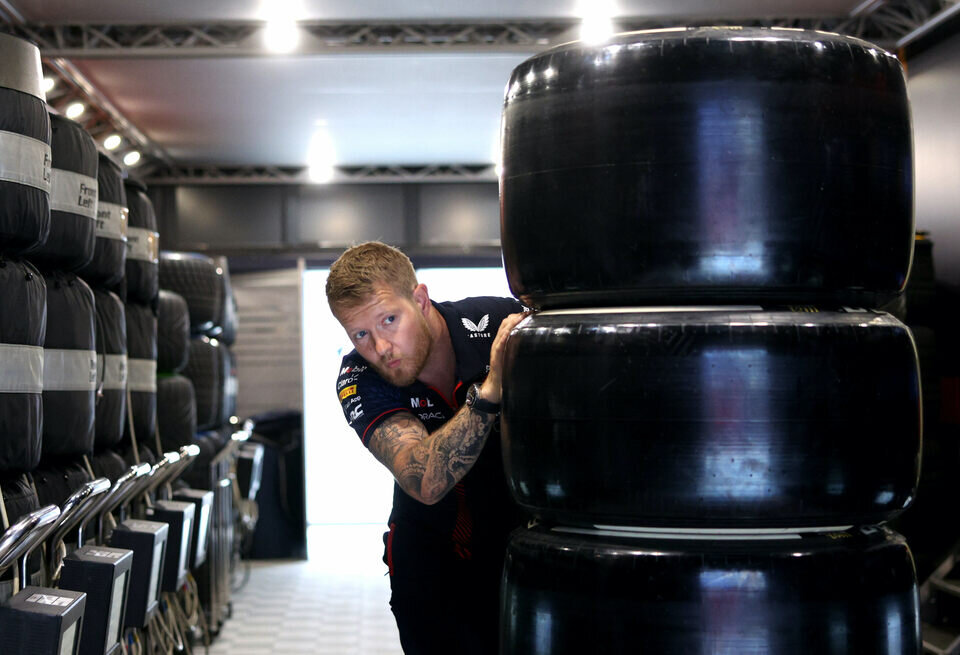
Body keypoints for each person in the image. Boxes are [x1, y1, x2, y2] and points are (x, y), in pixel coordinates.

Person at [326, 241, 528, 655]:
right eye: (361, 333)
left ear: (420, 298)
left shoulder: (498, 323)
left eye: (389, 320)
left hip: (519, 546)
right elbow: (423, 479)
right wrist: (490, 393)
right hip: (430, 560)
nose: (380, 347)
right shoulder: (359, 376)